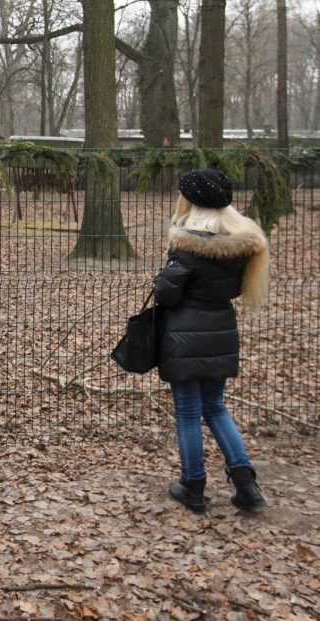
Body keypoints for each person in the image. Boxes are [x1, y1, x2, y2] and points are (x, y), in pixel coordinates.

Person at [154, 169, 270, 514]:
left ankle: (192, 486)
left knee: (188, 412)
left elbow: (166, 294)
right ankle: (246, 485)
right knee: (216, 407)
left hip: (185, 337)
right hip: (221, 331)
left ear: (192, 201)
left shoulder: (187, 244)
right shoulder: (243, 245)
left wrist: (163, 276)